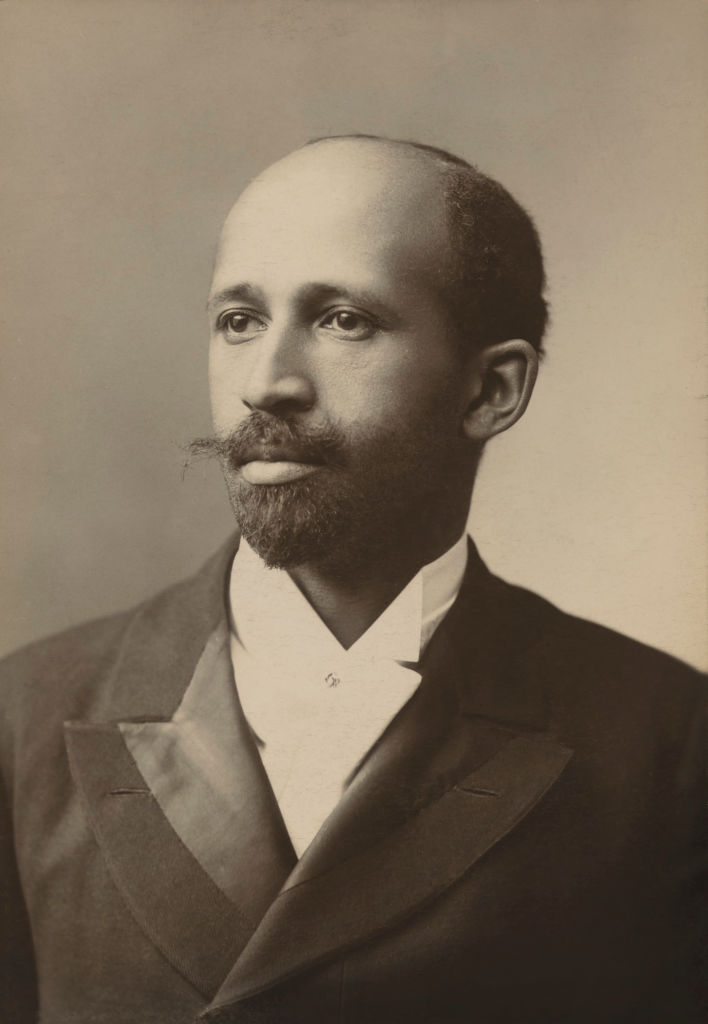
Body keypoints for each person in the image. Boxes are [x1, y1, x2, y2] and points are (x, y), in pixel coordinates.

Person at [1, 135, 705, 1024]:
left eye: (343, 320)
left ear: (491, 390)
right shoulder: (24, 718)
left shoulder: (668, 746)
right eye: (239, 321)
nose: (265, 384)